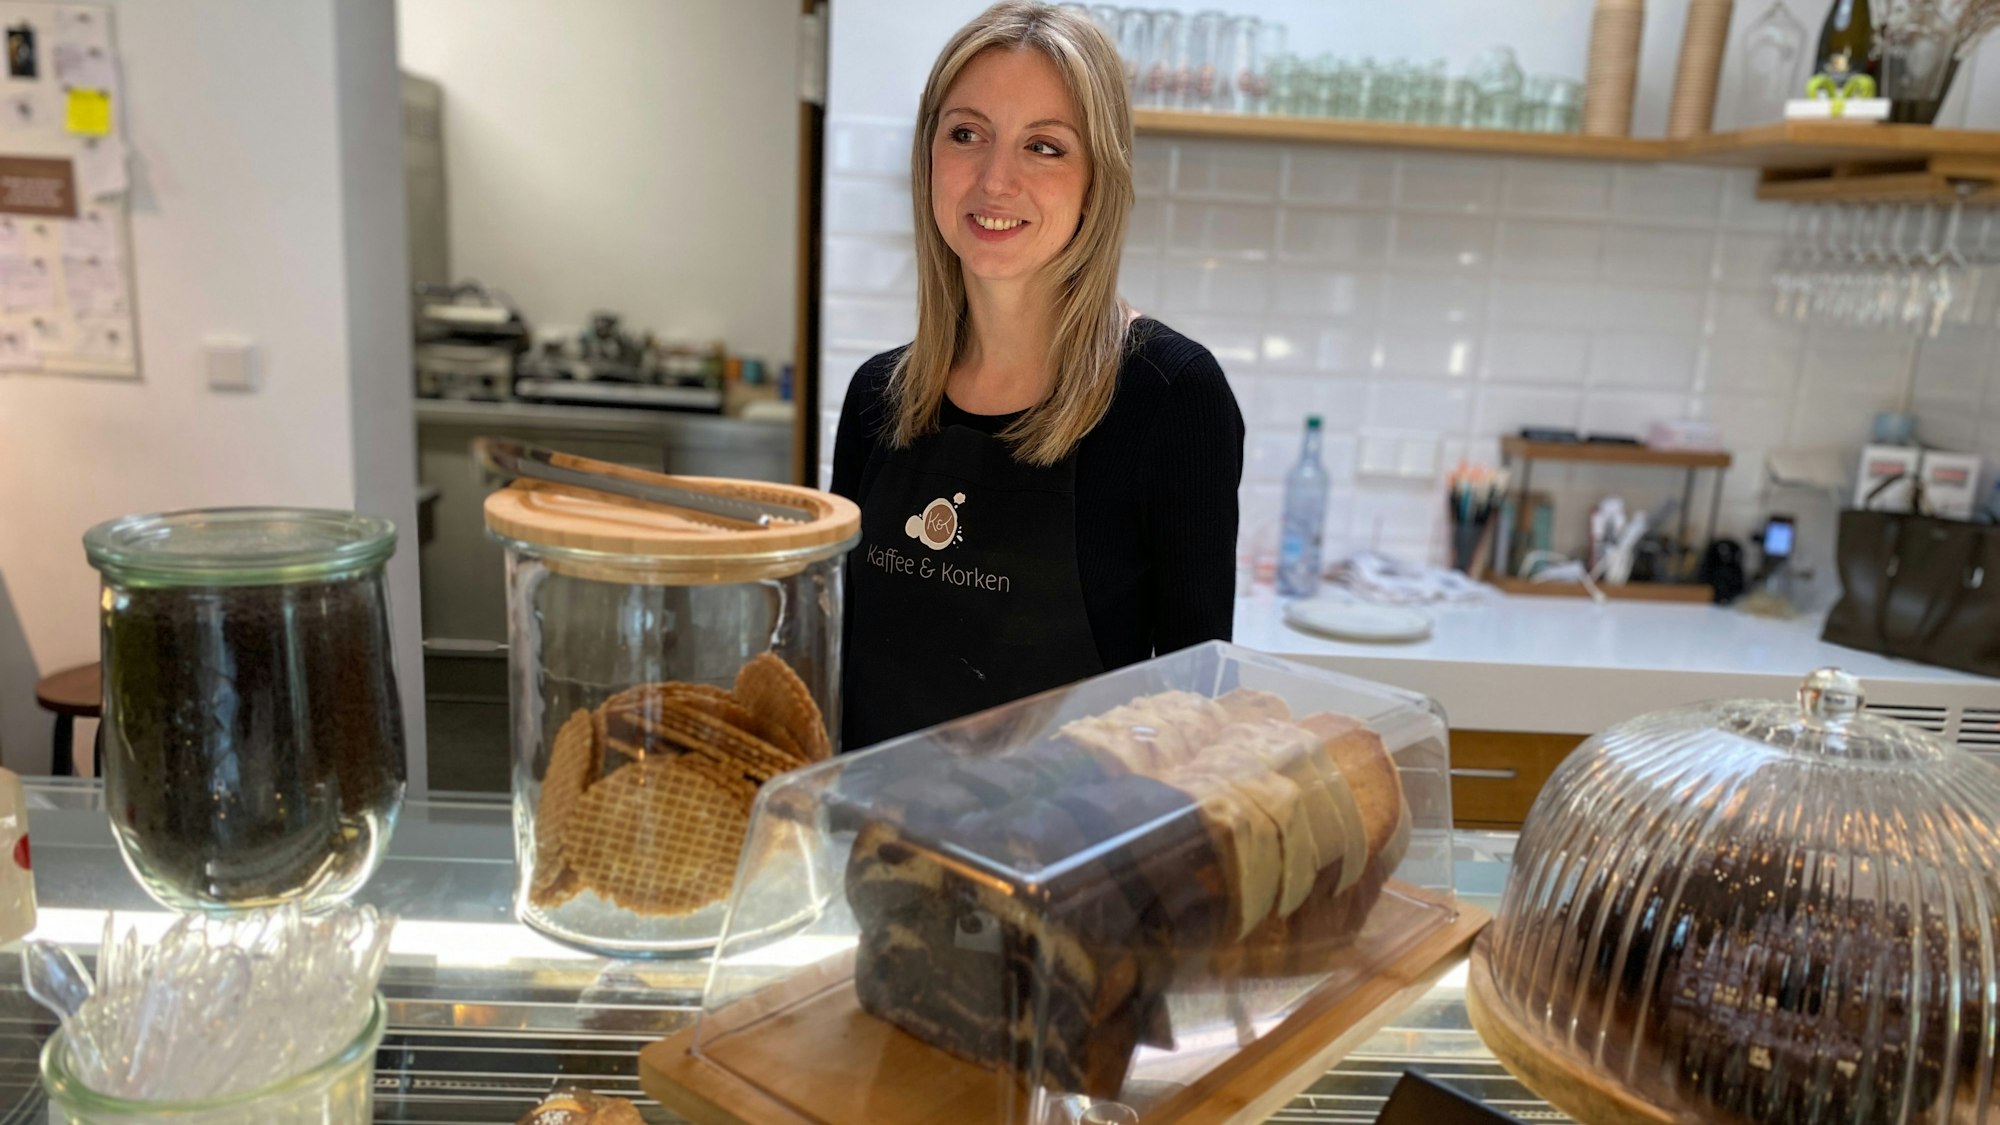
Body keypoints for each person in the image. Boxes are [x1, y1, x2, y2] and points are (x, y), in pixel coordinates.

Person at [831, 1, 1244, 751]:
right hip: (871, 823)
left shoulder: (1171, 397)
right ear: (928, 156)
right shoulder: (875, 398)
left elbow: (1198, 717)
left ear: (1098, 178)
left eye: (1044, 147)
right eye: (966, 134)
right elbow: (841, 666)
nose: (996, 180)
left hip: (1067, 828)